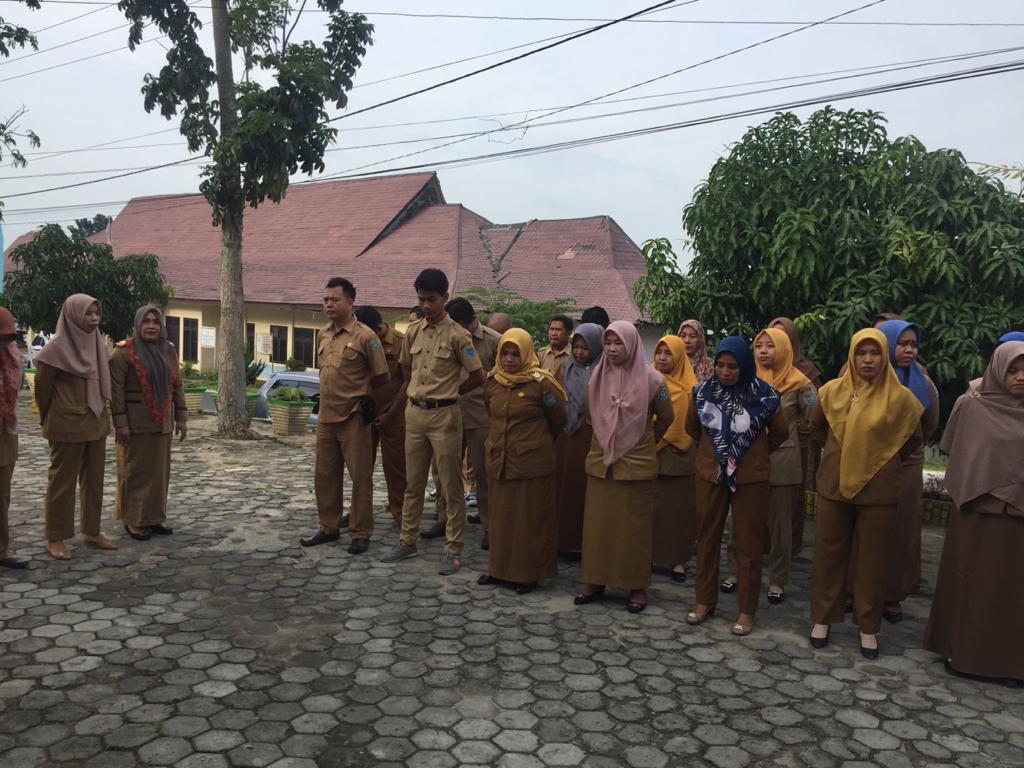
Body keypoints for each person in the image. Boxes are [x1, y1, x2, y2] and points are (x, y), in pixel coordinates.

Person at [807, 328, 923, 659]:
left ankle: (868, 626)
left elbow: (912, 440)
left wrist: (878, 458)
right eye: (861, 353)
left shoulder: (901, 399)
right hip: (835, 483)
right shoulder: (831, 392)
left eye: (875, 353)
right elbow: (816, 426)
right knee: (829, 552)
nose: (868, 360)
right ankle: (822, 618)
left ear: (884, 357)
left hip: (879, 487)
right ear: (852, 356)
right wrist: (841, 453)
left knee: (873, 558)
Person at [924, 341, 1024, 686]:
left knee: (1013, 591)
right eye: (1013, 370)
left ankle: (1011, 664)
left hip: (1019, 518)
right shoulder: (972, 404)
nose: (1020, 377)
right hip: (977, 511)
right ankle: (963, 654)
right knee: (972, 584)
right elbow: (957, 450)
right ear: (997, 370)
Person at [381, 269, 485, 575]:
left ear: (445, 297)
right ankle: (407, 540)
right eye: (421, 300)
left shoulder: (458, 336)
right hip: (415, 413)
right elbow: (406, 370)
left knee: (451, 486)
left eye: (431, 300)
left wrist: (452, 392)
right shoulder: (413, 331)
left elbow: (478, 375)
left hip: (445, 416)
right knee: (413, 482)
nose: (426, 306)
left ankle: (453, 548)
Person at [685, 337, 786, 636]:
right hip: (711, 474)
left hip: (750, 478)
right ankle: (704, 600)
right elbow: (692, 427)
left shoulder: (765, 396)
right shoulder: (702, 392)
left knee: (748, 543)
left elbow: (779, 433)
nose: (725, 372)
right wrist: (718, 451)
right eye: (720, 365)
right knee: (707, 539)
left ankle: (746, 610)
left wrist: (748, 452)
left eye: (733, 366)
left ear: (745, 366)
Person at [574, 321, 673, 613]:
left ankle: (635, 586)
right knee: (598, 527)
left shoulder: (653, 380)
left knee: (634, 530)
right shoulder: (596, 377)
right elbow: (590, 417)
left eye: (618, 343)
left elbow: (666, 417)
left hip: (635, 465)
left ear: (631, 344)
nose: (612, 349)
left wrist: (643, 440)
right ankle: (595, 580)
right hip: (602, 464)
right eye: (608, 343)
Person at [720, 328, 816, 604]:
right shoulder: (746, 379)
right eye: (759, 345)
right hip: (746, 459)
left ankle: (777, 579)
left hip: (782, 462)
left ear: (784, 348)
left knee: (779, 526)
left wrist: (793, 436)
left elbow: (815, 418)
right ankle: (735, 572)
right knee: (741, 521)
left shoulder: (800, 384)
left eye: (770, 345)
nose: (763, 350)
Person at [300, 278, 389, 554]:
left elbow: (382, 377)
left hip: (353, 418)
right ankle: (328, 527)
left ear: (350, 302)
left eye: (334, 300)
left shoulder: (366, 336)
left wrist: (366, 403)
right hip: (326, 417)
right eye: (325, 300)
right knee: (325, 476)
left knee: (360, 478)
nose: (328, 305)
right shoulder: (323, 334)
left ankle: (360, 532)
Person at [479, 329, 567, 593]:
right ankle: (498, 569)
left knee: (528, 520)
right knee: (500, 519)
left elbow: (559, 419)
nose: (509, 359)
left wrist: (535, 442)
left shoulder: (541, 384)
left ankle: (529, 573)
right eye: (505, 353)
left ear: (527, 354)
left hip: (531, 464)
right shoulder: (493, 381)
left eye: (515, 354)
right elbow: (491, 412)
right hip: (500, 460)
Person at [35, 294, 118, 560]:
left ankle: (92, 531)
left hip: (96, 421)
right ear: (72, 315)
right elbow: (42, 391)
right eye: (88, 314)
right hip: (66, 424)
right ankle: (55, 536)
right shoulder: (55, 349)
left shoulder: (96, 343)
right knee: (62, 482)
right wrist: (49, 418)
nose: (94, 319)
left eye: (96, 313)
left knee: (94, 480)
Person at [874, 319, 939, 623]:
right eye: (902, 343)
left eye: (914, 344)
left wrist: (907, 447)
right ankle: (855, 590)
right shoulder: (866, 373)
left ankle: (892, 595)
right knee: (865, 526)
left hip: (907, 462)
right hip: (869, 460)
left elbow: (930, 423)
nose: (909, 350)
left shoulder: (922, 381)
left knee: (901, 529)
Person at [109, 306, 188, 541]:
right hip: (134, 426)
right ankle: (133, 520)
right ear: (137, 324)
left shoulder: (168, 350)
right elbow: (115, 392)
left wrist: (181, 416)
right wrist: (120, 423)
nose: (152, 326)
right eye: (146, 321)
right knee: (134, 472)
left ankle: (153, 518)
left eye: (156, 321)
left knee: (159, 475)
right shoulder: (123, 353)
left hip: (162, 423)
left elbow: (177, 385)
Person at [429, 297, 500, 543]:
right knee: (444, 472)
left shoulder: (494, 341)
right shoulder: (443, 336)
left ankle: (490, 527)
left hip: (481, 416)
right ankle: (445, 520)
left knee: (483, 474)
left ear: (470, 321)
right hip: (449, 414)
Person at [769, 316, 822, 555]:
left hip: (794, 445)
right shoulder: (759, 370)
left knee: (789, 500)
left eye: (783, 336)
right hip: (763, 447)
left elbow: (815, 411)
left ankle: (788, 547)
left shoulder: (805, 372)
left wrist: (797, 428)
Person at [650, 335, 698, 582]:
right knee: (651, 509)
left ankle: (677, 560)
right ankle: (649, 555)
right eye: (659, 352)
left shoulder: (692, 389)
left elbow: (697, 424)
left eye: (668, 353)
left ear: (679, 357)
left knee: (679, 511)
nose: (662, 358)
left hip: (681, 456)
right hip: (650, 451)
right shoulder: (648, 382)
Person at [355, 306, 408, 524]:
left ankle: (401, 512)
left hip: (394, 414)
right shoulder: (359, 339)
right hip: (365, 414)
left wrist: (391, 414)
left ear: (378, 328)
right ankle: (359, 511)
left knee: (396, 467)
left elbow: (407, 381)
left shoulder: (400, 342)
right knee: (361, 468)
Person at [554, 323, 603, 556]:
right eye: (576, 347)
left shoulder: (604, 371)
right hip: (566, 437)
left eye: (585, 348)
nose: (579, 352)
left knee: (587, 490)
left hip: (592, 436)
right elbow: (554, 397)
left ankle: (586, 543)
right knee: (565, 488)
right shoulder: (565, 368)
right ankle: (563, 540)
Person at [0, 307, 27, 569]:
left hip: (5, 433)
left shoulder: (12, 359)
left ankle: (2, 550)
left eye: (6, 337)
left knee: (2, 495)